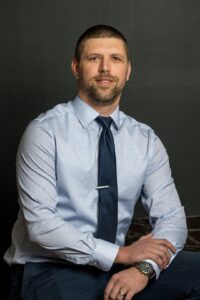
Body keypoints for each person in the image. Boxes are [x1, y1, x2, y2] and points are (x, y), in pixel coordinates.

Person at [4, 24, 200, 300]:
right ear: (76, 67)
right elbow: (42, 225)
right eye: (94, 58)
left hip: (120, 266)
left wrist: (144, 268)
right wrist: (122, 253)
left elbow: (171, 218)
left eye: (116, 59)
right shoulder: (44, 132)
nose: (106, 68)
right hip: (49, 268)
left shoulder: (145, 139)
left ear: (128, 70)